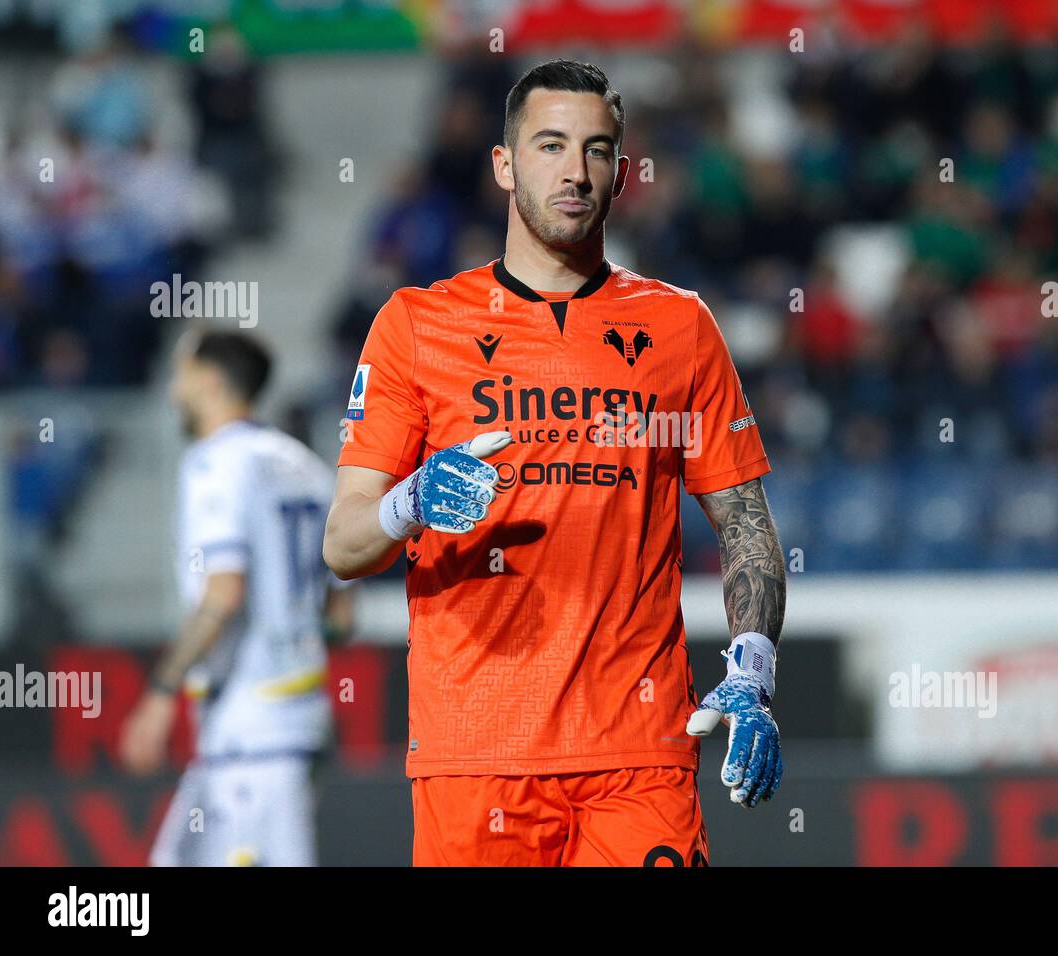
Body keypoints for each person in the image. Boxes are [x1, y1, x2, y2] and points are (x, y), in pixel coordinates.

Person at [323, 59, 785, 867]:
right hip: (476, 758)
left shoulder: (681, 329)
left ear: (619, 170)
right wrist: (413, 501)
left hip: (639, 754)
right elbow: (344, 543)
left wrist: (753, 670)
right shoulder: (416, 327)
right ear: (504, 164)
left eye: (597, 149)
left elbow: (746, 528)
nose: (575, 170)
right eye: (550, 145)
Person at [120, 329, 353, 866]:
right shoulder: (305, 466)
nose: (174, 390)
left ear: (209, 380)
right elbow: (341, 614)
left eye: (181, 375)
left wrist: (159, 692)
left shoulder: (215, 464)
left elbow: (223, 593)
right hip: (293, 718)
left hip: (255, 730)